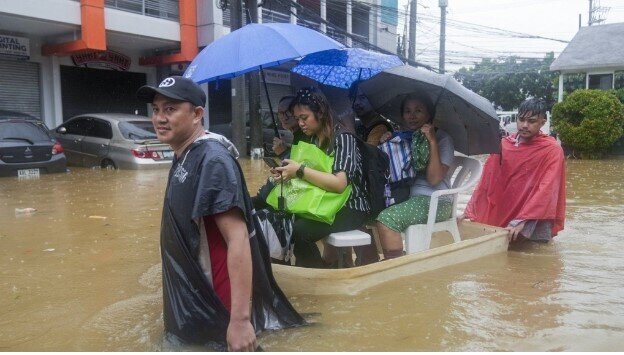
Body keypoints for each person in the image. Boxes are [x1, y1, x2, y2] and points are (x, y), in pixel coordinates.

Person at [136, 76, 303, 350]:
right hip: (194, 301)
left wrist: (239, 321)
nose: (160, 118)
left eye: (170, 109)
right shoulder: (184, 153)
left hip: (216, 304)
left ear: (197, 114)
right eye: (156, 110)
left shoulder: (213, 160)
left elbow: (238, 238)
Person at [274, 87, 370, 268]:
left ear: (321, 113)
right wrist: (287, 173)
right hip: (323, 199)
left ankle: (315, 277)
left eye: (304, 118)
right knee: (281, 217)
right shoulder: (310, 139)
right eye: (297, 119)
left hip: (349, 205)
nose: (300, 124)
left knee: (300, 230)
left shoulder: (343, 138)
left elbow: (340, 184)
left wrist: (299, 170)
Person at [462, 98, 566, 243]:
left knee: (535, 254)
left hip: (536, 214)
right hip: (505, 209)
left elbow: (547, 188)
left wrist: (523, 218)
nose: (524, 125)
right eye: (521, 119)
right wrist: (470, 210)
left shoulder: (552, 149)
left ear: (543, 122)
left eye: (531, 121)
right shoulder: (504, 145)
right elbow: (487, 181)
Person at [375, 94, 455, 259]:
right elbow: (391, 173)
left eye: (418, 111)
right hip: (407, 195)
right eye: (407, 111)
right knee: (369, 211)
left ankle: (396, 270)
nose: (412, 116)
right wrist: (388, 143)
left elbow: (434, 179)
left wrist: (432, 141)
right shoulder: (404, 138)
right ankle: (370, 263)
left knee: (387, 219)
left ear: (429, 115)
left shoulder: (443, 139)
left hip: (436, 201)